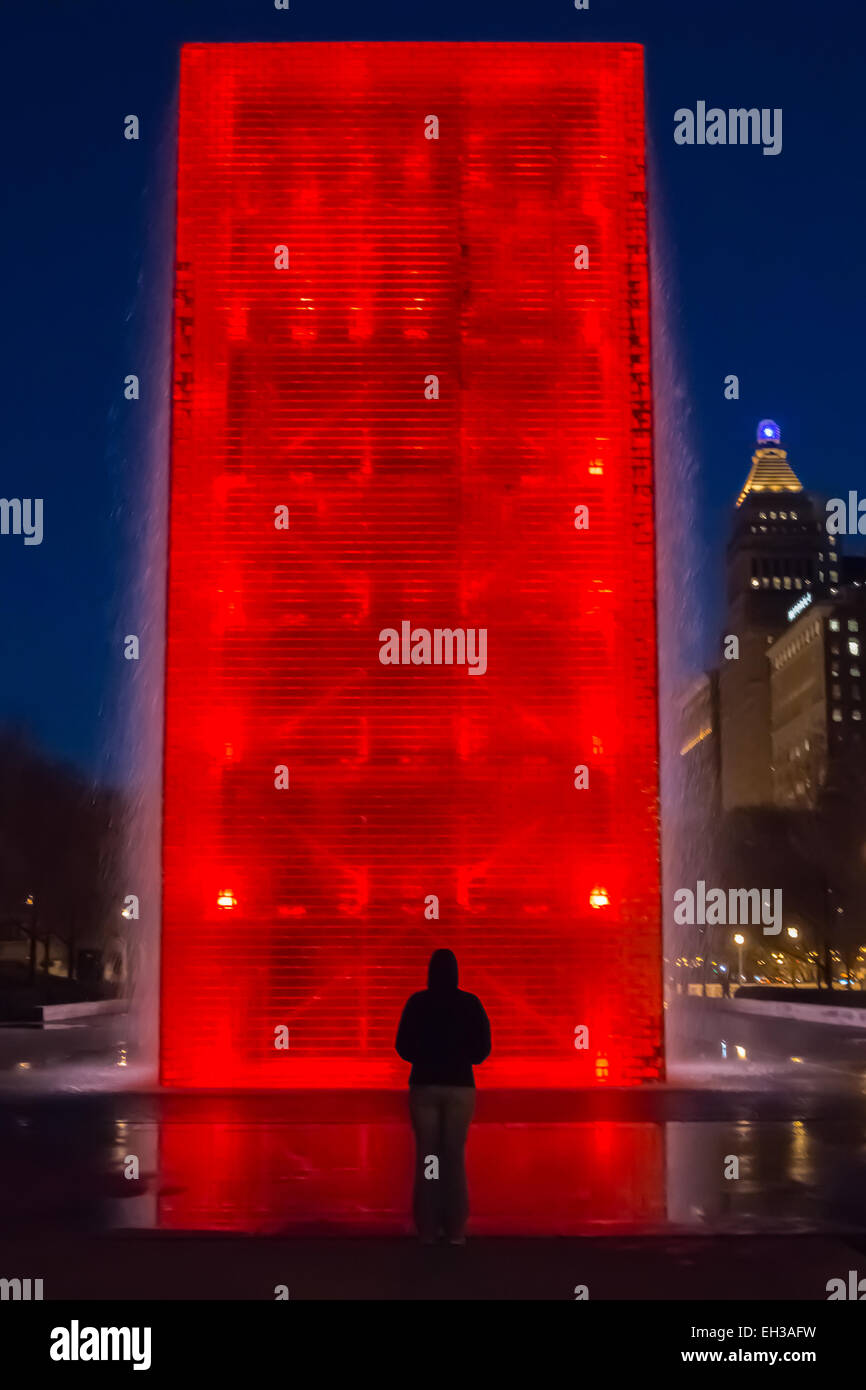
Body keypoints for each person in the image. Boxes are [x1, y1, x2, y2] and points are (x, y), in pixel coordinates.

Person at [395, 948, 491, 1245]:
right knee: (453, 1157)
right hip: (460, 1085)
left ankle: (426, 1230)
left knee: (428, 1157)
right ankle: (455, 1232)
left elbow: (403, 1046)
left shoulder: (417, 1003)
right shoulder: (470, 1003)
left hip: (424, 1084)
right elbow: (482, 1051)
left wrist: (426, 1056)